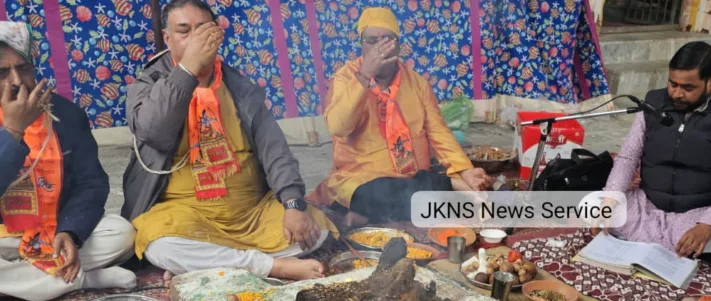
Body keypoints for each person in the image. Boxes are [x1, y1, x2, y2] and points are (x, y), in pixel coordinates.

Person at [0, 22, 136, 301]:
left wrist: (70, 232)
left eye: (23, 68)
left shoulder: (66, 113)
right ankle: (77, 281)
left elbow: (91, 184)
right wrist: (11, 131)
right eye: (1, 73)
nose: (16, 81)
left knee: (121, 233)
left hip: (52, 231)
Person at [123, 0, 337, 281]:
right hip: (187, 214)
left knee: (315, 230)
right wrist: (187, 70)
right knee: (158, 244)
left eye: (202, 29)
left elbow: (275, 150)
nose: (195, 38)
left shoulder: (239, 86)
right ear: (167, 38)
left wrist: (293, 204)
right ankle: (271, 267)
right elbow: (154, 132)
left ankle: (205, 264)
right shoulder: (147, 83)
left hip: (252, 212)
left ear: (217, 33)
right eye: (184, 31)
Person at [317, 7, 493, 223]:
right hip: (361, 180)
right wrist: (364, 76)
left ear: (399, 45)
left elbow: (439, 133)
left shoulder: (417, 84)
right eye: (371, 41)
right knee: (368, 194)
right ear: (361, 44)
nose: (379, 48)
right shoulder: (345, 79)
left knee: (411, 194)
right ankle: (450, 186)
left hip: (412, 177)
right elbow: (337, 127)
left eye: (387, 40)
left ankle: (370, 215)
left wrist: (464, 169)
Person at [599, 41, 711, 259]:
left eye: (688, 88)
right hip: (647, 205)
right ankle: (674, 247)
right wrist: (610, 202)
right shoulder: (654, 102)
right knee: (592, 204)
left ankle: (649, 241)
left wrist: (706, 226)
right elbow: (628, 156)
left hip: (697, 213)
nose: (676, 94)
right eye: (672, 84)